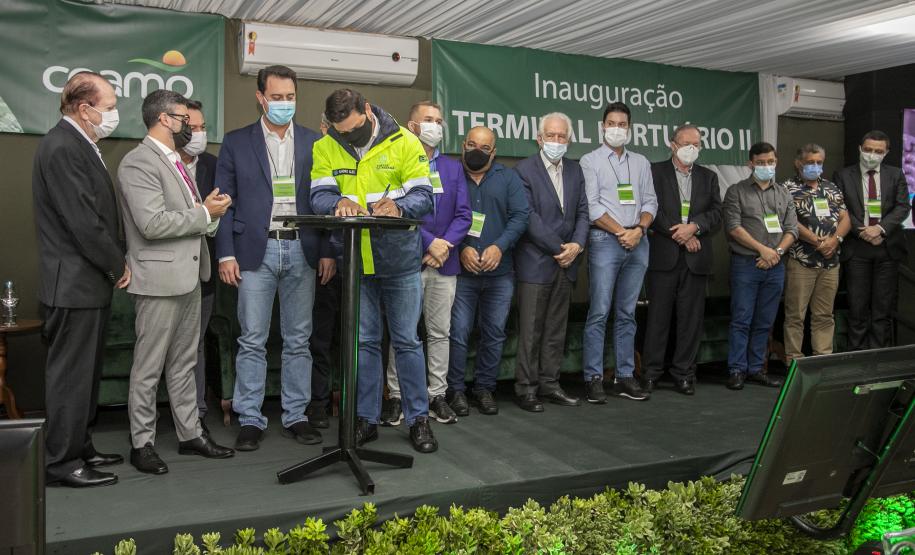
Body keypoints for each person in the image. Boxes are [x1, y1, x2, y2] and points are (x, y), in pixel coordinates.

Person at [310, 88, 437, 453]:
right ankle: (366, 419)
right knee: (364, 344)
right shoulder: (326, 146)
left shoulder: (404, 141)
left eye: (354, 130)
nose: (348, 137)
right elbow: (318, 194)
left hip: (398, 262)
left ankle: (419, 420)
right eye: (341, 132)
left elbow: (424, 196)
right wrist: (339, 201)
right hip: (355, 263)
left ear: (367, 111)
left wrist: (397, 208)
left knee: (407, 342)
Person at [215, 65, 333, 451]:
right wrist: (226, 253)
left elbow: (327, 200)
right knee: (252, 338)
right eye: (277, 97)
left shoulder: (317, 143)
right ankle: (250, 417)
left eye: (291, 97)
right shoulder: (236, 142)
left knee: (299, 339)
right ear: (261, 98)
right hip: (255, 249)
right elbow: (225, 203)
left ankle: (295, 414)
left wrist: (329, 249)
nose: (285, 104)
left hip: (303, 247)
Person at [118, 89, 234, 474]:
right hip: (158, 280)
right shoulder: (138, 163)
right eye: (184, 119)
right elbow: (151, 224)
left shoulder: (177, 162)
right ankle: (142, 443)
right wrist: (204, 212)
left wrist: (210, 213)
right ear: (165, 119)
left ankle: (190, 434)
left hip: (190, 277)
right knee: (148, 367)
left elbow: (191, 219)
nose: (189, 126)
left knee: (185, 363)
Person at [33, 72, 129, 487]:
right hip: (73, 284)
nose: (113, 114)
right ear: (84, 108)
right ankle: (61, 463)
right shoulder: (62, 146)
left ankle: (80, 446)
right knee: (70, 378)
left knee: (86, 375)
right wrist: (118, 265)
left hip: (86, 285)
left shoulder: (81, 144)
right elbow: (84, 224)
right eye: (108, 107)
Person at [381, 100, 471, 426]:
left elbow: (464, 215)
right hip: (409, 261)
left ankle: (437, 395)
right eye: (428, 120)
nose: (435, 125)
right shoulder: (395, 161)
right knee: (403, 332)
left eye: (439, 120)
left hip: (445, 262)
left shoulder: (452, 168)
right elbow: (394, 210)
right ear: (412, 125)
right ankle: (396, 396)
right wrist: (428, 242)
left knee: (440, 333)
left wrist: (443, 245)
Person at [445, 126, 530, 416]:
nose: (476, 151)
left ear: (493, 152)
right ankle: (455, 390)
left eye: (484, 147)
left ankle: (484, 388)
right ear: (463, 144)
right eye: (471, 144)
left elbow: (521, 216)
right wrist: (461, 248)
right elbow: (441, 216)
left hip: (500, 272)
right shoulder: (451, 174)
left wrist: (499, 247)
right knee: (457, 332)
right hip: (461, 272)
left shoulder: (508, 178)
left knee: (494, 333)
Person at [511, 112, 588, 412]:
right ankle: (526, 389)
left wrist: (578, 245)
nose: (557, 141)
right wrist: (561, 248)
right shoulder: (523, 171)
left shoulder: (575, 170)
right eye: (551, 136)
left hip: (567, 263)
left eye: (562, 137)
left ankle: (549, 384)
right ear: (539, 138)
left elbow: (583, 211)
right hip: (537, 261)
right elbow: (528, 217)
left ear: (568, 140)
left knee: (556, 329)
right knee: (531, 330)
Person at [581, 102, 657, 403]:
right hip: (605, 241)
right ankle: (594, 377)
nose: (616, 128)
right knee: (599, 311)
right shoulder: (590, 161)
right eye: (611, 123)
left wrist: (638, 230)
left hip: (638, 241)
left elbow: (651, 202)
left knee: (627, 314)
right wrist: (621, 232)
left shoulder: (641, 162)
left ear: (630, 128)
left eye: (622, 124)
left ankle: (625, 376)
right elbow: (592, 205)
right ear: (602, 127)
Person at [642, 124, 721, 395]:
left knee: (691, 319)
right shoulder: (654, 172)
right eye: (686, 143)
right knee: (658, 317)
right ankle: (651, 372)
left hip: (696, 259)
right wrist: (681, 233)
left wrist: (695, 227)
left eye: (696, 144)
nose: (691, 148)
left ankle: (684, 372)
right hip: (663, 255)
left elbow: (716, 212)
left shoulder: (709, 177)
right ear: (672, 144)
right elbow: (651, 208)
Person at [722, 141, 797, 390]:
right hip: (746, 263)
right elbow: (733, 227)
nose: (767, 166)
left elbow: (792, 229)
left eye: (771, 162)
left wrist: (775, 252)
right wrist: (762, 250)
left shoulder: (784, 193)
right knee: (742, 319)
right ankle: (736, 369)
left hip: (776, 264)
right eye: (762, 162)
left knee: (765, 321)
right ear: (750, 163)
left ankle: (756, 369)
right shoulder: (736, 191)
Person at [833, 130, 911, 350]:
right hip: (857, 249)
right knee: (857, 308)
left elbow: (902, 206)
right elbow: (841, 208)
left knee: (882, 309)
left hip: (887, 249)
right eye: (868, 150)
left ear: (886, 153)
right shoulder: (842, 175)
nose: (871, 155)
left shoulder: (896, 174)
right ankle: (856, 357)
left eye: (878, 151)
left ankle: (879, 357)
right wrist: (863, 232)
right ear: (860, 149)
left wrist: (880, 229)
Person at [783, 144, 849, 363]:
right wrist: (817, 241)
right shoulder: (787, 188)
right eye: (810, 162)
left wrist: (835, 240)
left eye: (819, 162)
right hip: (802, 260)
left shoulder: (831, 188)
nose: (815, 166)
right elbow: (789, 221)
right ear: (799, 163)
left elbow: (845, 218)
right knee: (796, 315)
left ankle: (822, 359)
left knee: (824, 315)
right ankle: (794, 360)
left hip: (830, 262)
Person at [180, 99, 218, 435]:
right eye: (192, 126)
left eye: (203, 126)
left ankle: (197, 415)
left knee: (196, 344)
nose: (199, 133)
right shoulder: (158, 165)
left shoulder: (213, 165)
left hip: (204, 272)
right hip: (168, 271)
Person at [306, 110, 340, 429]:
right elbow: (315, 206)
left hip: (359, 261)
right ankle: (317, 400)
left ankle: (352, 402)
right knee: (320, 335)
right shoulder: (315, 153)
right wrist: (327, 251)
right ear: (323, 126)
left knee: (357, 337)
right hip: (321, 262)